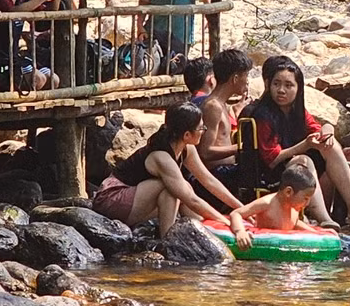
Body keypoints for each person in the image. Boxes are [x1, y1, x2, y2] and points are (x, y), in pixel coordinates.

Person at [243, 55, 350, 230]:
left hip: (295, 169)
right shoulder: (263, 114)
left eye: (288, 85)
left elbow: (317, 129)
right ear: (269, 85)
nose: (281, 90)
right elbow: (272, 159)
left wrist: (328, 131)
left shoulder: (297, 111)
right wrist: (305, 145)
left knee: (331, 147)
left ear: (298, 88)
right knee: (304, 160)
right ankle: (325, 219)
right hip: (272, 174)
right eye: (276, 84)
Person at [90, 103, 250, 243]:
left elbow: (209, 181)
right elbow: (192, 200)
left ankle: (195, 227)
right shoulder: (161, 156)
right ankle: (168, 240)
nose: (203, 131)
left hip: (135, 201)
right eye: (201, 128)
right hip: (110, 200)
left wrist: (242, 211)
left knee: (182, 186)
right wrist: (227, 222)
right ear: (187, 134)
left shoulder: (187, 148)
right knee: (172, 188)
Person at [230, 161, 335, 236]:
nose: (307, 204)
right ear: (288, 192)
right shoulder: (267, 203)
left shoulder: (293, 208)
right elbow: (236, 213)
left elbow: (294, 223)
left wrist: (316, 233)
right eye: (305, 198)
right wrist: (240, 232)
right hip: (265, 252)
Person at [196, 48, 252, 177]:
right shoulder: (212, 106)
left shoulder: (222, 104)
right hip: (218, 174)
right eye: (246, 75)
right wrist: (242, 147)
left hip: (227, 170)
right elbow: (205, 151)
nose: (247, 81)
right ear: (235, 78)